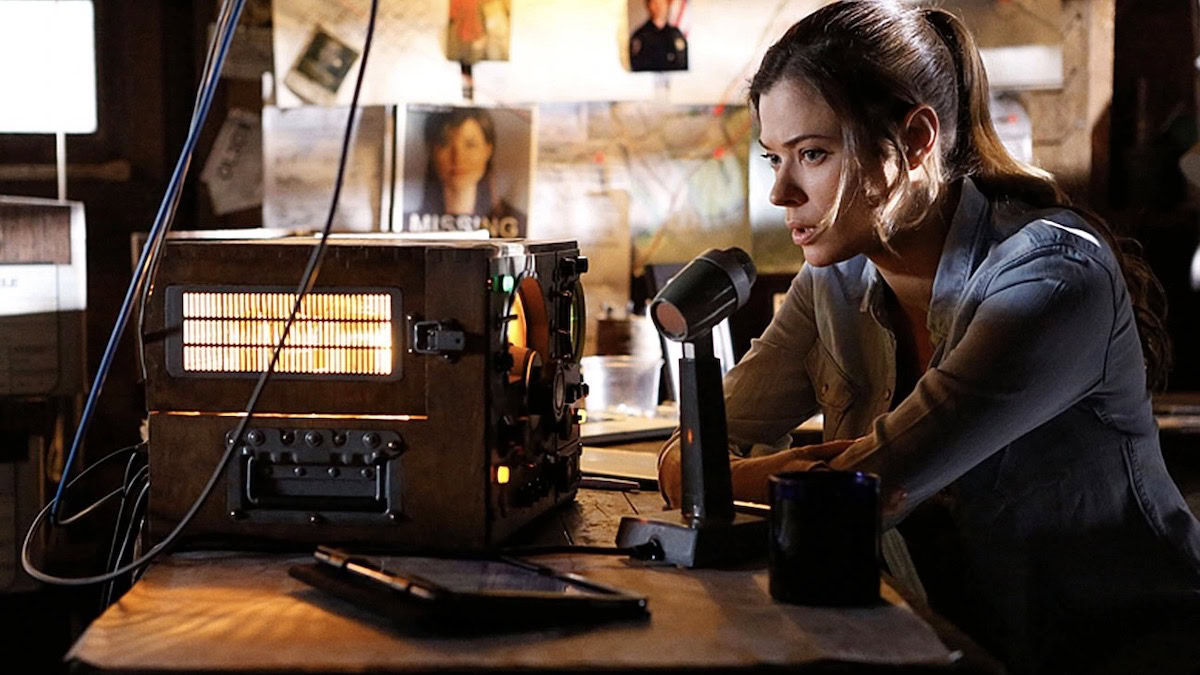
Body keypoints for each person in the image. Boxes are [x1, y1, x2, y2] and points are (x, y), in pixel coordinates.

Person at [656, 2, 1200, 673]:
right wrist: (776, 472)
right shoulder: (836, 275)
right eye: (774, 157)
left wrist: (757, 475)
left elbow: (868, 489)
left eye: (814, 154)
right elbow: (693, 451)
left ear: (915, 140)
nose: (780, 192)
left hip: (1124, 656)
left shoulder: (1052, 279)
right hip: (949, 643)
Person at [408, 107, 525, 238]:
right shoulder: (406, 223)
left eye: (470, 144)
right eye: (445, 143)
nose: (458, 157)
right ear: (431, 150)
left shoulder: (518, 223)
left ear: (488, 149)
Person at [629, 0, 687, 72]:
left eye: (662, 4)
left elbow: (682, 63)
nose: (659, 7)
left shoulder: (676, 34)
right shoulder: (640, 36)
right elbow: (637, 66)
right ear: (649, 6)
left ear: (667, 5)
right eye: (655, 3)